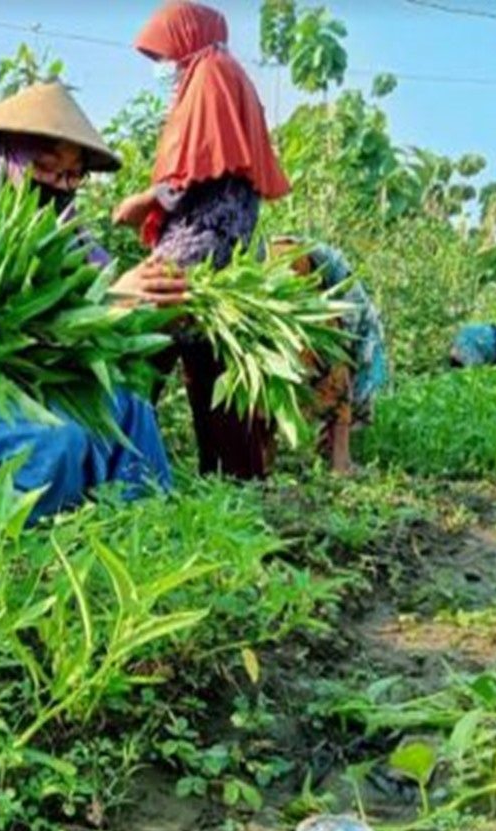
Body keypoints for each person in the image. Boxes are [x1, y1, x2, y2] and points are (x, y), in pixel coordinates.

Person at [0, 82, 175, 522]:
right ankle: (3, 534)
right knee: (61, 437)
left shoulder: (66, 231)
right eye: (44, 168)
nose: (59, 186)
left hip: (39, 388)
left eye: (72, 176)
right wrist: (109, 301)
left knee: (130, 407)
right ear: (9, 161)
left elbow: (99, 292)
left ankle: (145, 526)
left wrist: (138, 304)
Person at [112, 1, 292, 481]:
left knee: (137, 356)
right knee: (213, 372)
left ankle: (116, 474)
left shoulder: (211, 71)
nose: (167, 68)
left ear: (187, 37)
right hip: (226, 256)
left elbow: (201, 159)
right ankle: (234, 483)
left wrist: (146, 201)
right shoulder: (228, 76)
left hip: (197, 252)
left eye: (168, 55)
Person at [270, 238, 389, 474]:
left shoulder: (364, 315)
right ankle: (341, 464)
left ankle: (263, 457)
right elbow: (348, 342)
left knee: (273, 365)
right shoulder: (369, 340)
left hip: (272, 258)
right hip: (295, 266)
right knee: (336, 378)